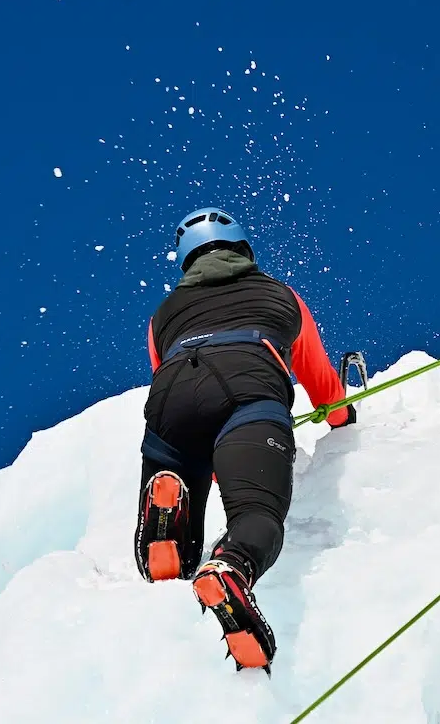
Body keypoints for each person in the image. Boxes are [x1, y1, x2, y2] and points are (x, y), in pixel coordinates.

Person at [133, 206, 357, 674]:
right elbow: (316, 373)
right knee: (257, 515)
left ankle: (171, 514)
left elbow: (164, 377)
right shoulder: (280, 294)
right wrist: (342, 416)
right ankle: (231, 565)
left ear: (185, 260)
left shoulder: (163, 315)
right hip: (248, 388)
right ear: (243, 248)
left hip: (171, 399)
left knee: (179, 476)